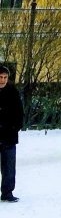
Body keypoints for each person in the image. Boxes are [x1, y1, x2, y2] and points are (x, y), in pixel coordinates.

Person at [0, 65, 24, 203]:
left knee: (9, 167)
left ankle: (7, 192)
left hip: (9, 137)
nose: (2, 80)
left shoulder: (13, 92)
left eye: (5, 77)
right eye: (0, 77)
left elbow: (19, 113)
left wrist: (15, 128)